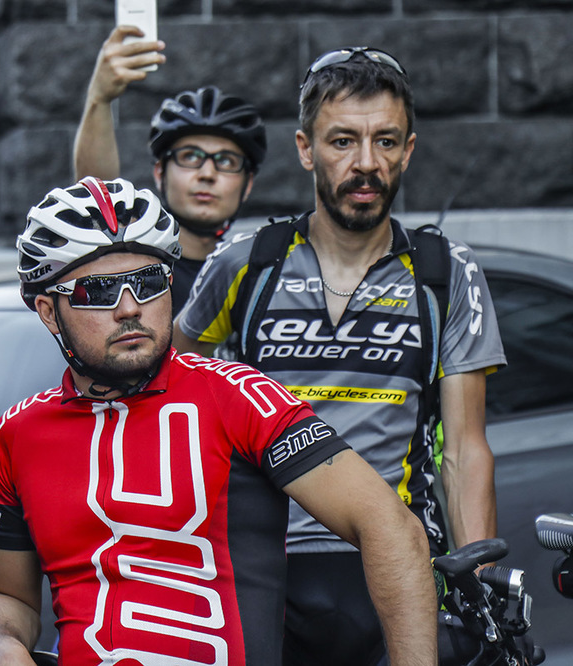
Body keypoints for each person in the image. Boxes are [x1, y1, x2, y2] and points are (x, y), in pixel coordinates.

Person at [0, 176, 436, 665]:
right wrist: (3, 643)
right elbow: (9, 599)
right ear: (49, 312)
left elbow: (391, 529)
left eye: (148, 282)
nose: (130, 308)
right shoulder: (17, 433)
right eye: (99, 291)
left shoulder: (240, 396)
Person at [173, 47, 505, 665]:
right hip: (262, 563)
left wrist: (480, 582)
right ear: (306, 149)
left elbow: (463, 450)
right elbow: (166, 401)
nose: (366, 163)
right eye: (343, 141)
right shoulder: (247, 262)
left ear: (408, 150)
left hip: (397, 560)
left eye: (386, 141)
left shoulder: (446, 272)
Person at [72, 26, 266, 315]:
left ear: (248, 184)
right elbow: (99, 199)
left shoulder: (264, 281)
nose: (207, 173)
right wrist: (99, 99)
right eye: (190, 157)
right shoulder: (136, 270)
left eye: (226, 161)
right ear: (160, 172)